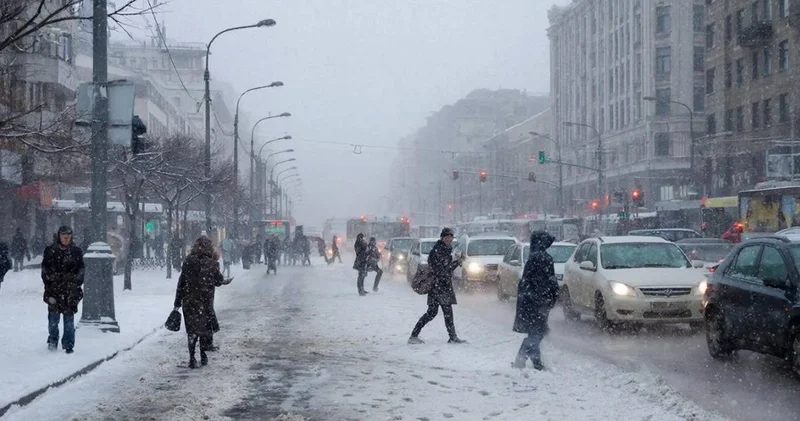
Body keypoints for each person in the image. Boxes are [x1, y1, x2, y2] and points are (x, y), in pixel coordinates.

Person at [173, 236, 225, 368]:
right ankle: (203, 355)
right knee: (203, 329)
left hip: (189, 301)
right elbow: (219, 281)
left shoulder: (188, 261)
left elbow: (182, 282)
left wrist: (177, 302)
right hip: (205, 302)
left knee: (191, 330)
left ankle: (191, 357)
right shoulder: (212, 263)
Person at [512, 231, 559, 371]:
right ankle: (520, 361)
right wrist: (551, 296)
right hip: (539, 302)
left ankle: (535, 362)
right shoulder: (544, 258)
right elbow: (550, 281)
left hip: (530, 301)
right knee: (536, 333)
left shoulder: (532, 257)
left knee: (535, 332)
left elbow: (526, 281)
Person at [408, 228, 465, 344]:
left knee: (434, 312)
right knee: (442, 312)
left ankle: (414, 335)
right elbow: (442, 271)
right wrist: (456, 263)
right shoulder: (438, 251)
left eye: (451, 237)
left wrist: (456, 263)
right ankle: (452, 337)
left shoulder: (445, 250)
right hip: (438, 286)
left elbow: (445, 269)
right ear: (442, 238)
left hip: (441, 286)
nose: (449, 239)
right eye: (447, 237)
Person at [41, 226, 85, 354]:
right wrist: (50, 281)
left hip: (70, 292)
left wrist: (75, 282)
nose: (66, 237)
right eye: (63, 234)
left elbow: (81, 270)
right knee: (53, 319)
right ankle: (53, 340)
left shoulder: (76, 252)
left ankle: (68, 344)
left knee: (69, 320)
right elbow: (45, 269)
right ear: (58, 235)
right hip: (53, 290)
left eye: (68, 235)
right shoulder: (50, 251)